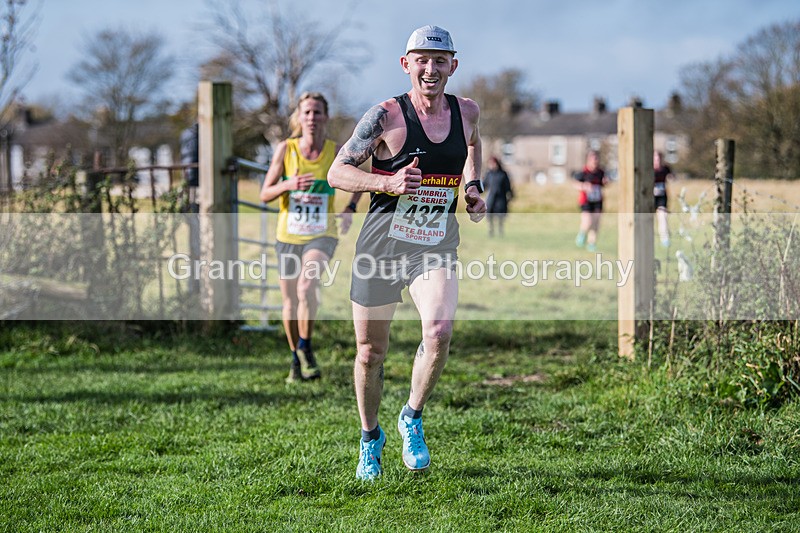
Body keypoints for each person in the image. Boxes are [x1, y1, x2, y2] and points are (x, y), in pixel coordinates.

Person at [327, 25, 485, 481]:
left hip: (434, 243)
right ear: (406, 64)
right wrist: (385, 182)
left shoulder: (468, 112)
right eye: (421, 60)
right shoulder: (384, 116)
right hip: (381, 245)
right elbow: (338, 171)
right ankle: (369, 437)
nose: (430, 69)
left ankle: (411, 417)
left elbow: (472, 147)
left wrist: (472, 187)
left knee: (438, 330)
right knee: (369, 352)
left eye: (440, 61)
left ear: (453, 66)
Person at [260, 92, 362, 383]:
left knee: (307, 286)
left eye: (317, 112)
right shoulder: (286, 150)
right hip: (288, 234)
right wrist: (288, 184)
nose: (312, 118)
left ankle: (305, 342)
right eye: (307, 112)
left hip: (322, 234)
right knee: (289, 300)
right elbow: (265, 194)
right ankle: (296, 356)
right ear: (299, 117)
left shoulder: (336, 151)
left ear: (325, 117)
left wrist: (350, 208)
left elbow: (357, 178)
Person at [574, 150, 609, 252]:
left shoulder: (600, 172)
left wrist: (605, 182)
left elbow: (604, 183)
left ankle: (591, 243)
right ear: (588, 160)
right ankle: (582, 234)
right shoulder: (584, 173)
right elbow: (575, 184)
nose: (595, 162)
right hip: (586, 201)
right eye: (593, 159)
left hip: (597, 201)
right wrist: (583, 186)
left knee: (596, 223)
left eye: (596, 159)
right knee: (587, 221)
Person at [483, 155, 513, 237]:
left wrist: (511, 195)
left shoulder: (503, 174)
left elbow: (508, 187)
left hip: (501, 199)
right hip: (491, 198)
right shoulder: (488, 174)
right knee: (490, 216)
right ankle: (491, 231)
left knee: (500, 217)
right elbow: (484, 185)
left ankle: (500, 231)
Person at [654, 150, 674, 248]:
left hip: (662, 197)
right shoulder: (649, 170)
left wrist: (671, 177)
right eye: (656, 158)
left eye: (659, 158)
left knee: (663, 216)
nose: (657, 160)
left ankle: (664, 239)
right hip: (651, 197)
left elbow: (671, 177)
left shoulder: (665, 169)